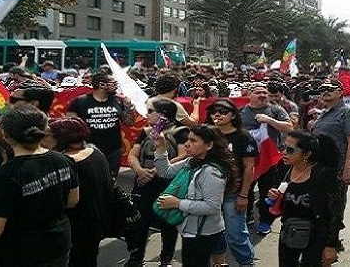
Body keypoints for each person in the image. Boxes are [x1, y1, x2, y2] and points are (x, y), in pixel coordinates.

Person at [0, 105, 79, 266]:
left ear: (5, 135)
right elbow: (72, 200)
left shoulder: (3, 177)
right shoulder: (63, 159)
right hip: (57, 244)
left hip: (18, 254)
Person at [154, 125, 237, 267]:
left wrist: (177, 203)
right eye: (188, 140)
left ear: (209, 145)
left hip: (203, 234)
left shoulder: (211, 172)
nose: (187, 144)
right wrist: (161, 146)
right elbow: (165, 172)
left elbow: (212, 206)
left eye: (193, 141)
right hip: (191, 230)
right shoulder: (191, 162)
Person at [126, 99, 187, 267]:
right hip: (143, 184)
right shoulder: (145, 132)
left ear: (163, 114)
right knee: (140, 223)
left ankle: (165, 259)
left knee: (168, 224)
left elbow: (183, 156)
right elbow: (132, 154)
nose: (147, 114)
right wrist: (139, 170)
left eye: (151, 111)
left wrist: (153, 171)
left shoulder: (181, 132)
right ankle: (136, 259)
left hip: (167, 185)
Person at [268, 131, 342, 267]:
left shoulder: (323, 175)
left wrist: (331, 245)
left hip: (317, 235)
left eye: (290, 150)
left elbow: (334, 213)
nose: (284, 152)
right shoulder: (283, 168)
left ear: (307, 154)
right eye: (283, 147)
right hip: (289, 231)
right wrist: (273, 194)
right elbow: (276, 188)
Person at [46, 117, 113, 267]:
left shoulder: (67, 161)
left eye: (47, 135)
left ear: (61, 138)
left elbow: (67, 200)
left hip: (76, 225)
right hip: (97, 219)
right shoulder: (94, 152)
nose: (44, 139)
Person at [206, 100, 258, 266]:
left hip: (232, 193)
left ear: (233, 115)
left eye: (222, 111)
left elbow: (249, 167)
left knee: (236, 235)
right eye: (214, 111)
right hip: (208, 193)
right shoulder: (206, 134)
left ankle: (246, 262)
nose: (217, 114)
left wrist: (244, 195)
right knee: (211, 233)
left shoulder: (243, 136)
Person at [240, 83, 293, 235]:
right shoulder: (241, 112)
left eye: (265, 92)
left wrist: (269, 121)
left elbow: (289, 127)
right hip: (247, 160)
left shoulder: (276, 110)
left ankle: (265, 221)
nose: (262, 94)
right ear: (249, 95)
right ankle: (246, 216)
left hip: (269, 160)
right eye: (258, 92)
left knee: (267, 192)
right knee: (246, 189)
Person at [311, 80, 350, 233]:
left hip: (336, 168)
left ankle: (332, 242)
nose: (325, 91)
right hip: (317, 166)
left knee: (334, 206)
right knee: (319, 204)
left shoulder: (347, 112)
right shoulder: (324, 112)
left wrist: (347, 170)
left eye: (330, 89)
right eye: (322, 89)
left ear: (340, 92)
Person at [67, 72, 136, 177]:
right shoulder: (79, 102)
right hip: (88, 149)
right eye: (113, 83)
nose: (116, 86)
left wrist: (129, 108)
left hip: (113, 150)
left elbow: (129, 123)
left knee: (111, 180)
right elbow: (71, 127)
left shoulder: (118, 100)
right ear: (101, 85)